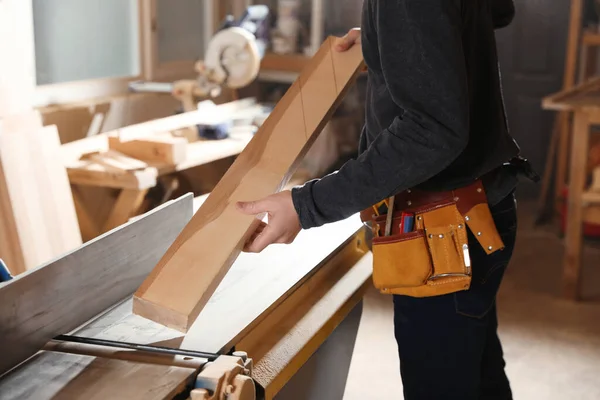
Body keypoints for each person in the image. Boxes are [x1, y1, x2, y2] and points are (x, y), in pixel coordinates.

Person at [236, 1, 535, 398]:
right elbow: (496, 10)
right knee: (476, 376)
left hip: (444, 229)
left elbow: (431, 131)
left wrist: (305, 205)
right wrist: (395, 40)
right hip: (479, 204)